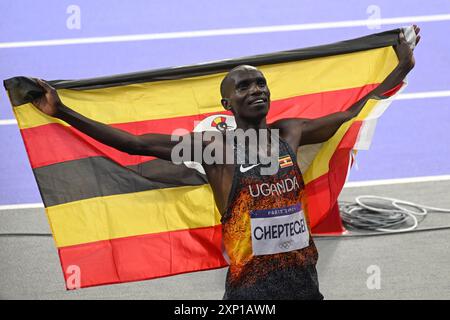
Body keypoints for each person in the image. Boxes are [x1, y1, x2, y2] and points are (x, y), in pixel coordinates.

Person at [31, 26, 420, 299]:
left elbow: (354, 110)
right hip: (250, 290)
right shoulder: (214, 148)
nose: (256, 90)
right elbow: (134, 143)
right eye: (244, 87)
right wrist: (63, 110)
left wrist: (402, 66)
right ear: (227, 105)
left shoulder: (290, 133)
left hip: (304, 279)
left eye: (261, 83)